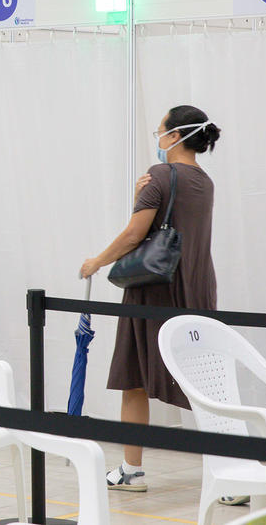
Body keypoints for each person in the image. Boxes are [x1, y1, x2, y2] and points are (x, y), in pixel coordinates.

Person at [80, 105, 221, 493]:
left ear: (175, 136)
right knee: (206, 384)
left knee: (134, 379)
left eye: (160, 130)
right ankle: (229, 471)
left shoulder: (159, 176)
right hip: (196, 287)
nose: (157, 137)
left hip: (154, 290)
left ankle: (131, 470)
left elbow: (133, 235)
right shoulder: (204, 181)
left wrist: (96, 262)